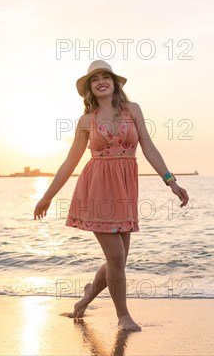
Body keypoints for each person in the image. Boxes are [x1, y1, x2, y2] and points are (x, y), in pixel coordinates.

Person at [33, 60, 189, 332]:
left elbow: (149, 147)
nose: (101, 81)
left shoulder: (132, 110)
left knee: (118, 259)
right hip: (96, 189)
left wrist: (170, 181)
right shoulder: (85, 121)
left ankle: (86, 298)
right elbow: (70, 162)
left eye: (106, 77)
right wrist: (47, 196)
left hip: (125, 189)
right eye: (95, 79)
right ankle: (123, 316)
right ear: (89, 89)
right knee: (116, 257)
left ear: (115, 82)